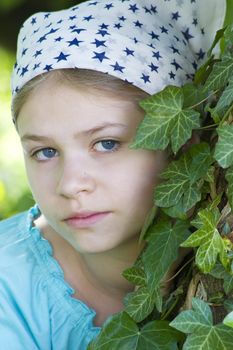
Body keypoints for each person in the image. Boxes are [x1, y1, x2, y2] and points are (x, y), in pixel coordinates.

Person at [0, 0, 226, 349]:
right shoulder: (9, 286)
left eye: (106, 143)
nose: (71, 184)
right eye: (45, 152)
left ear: (181, 141)